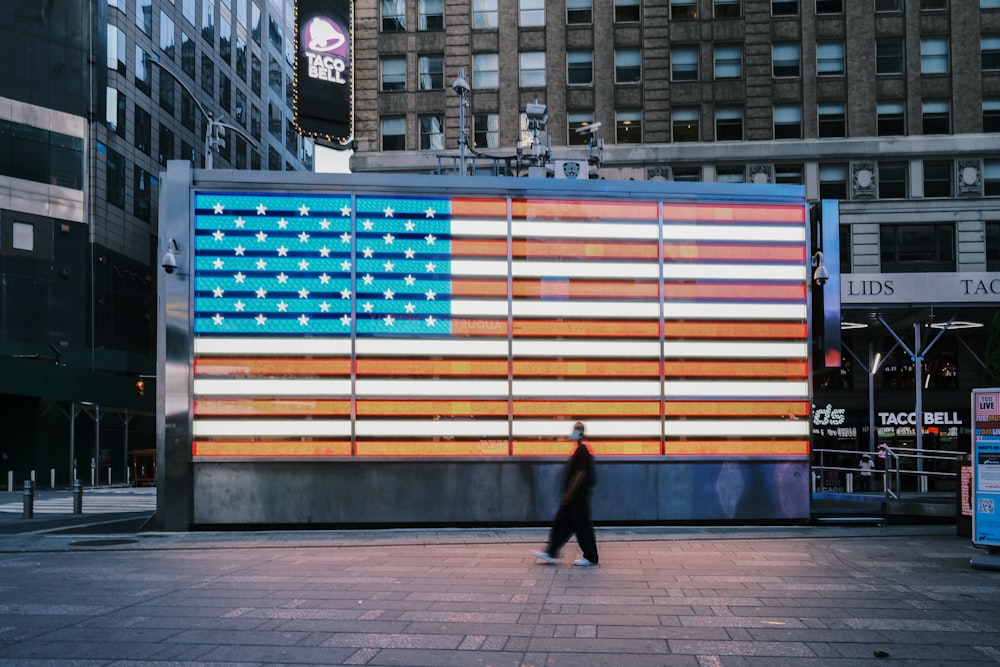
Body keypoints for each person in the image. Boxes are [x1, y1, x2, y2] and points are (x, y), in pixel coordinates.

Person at [531, 421, 599, 567]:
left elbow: (580, 474)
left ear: (581, 433)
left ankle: (590, 556)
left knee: (580, 525)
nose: (573, 432)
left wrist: (569, 492)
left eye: (576, 430)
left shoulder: (583, 451)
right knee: (564, 523)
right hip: (575, 497)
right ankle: (552, 551)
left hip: (577, 496)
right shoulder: (580, 450)